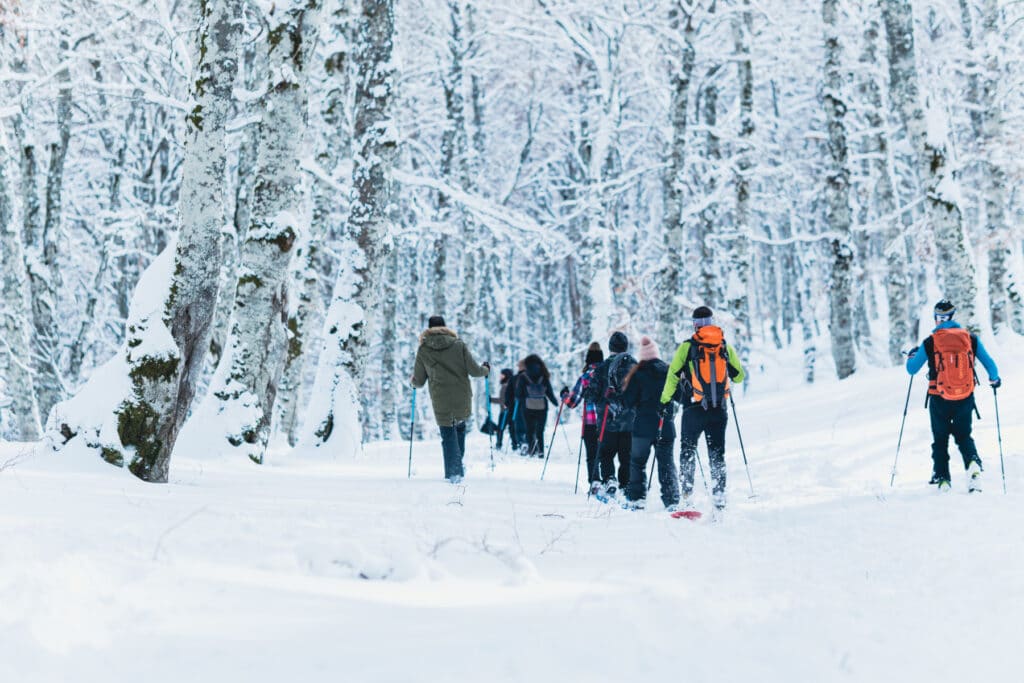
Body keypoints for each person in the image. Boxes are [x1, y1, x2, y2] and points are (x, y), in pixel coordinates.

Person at [905, 299, 1000, 492]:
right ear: (952, 316)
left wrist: (912, 356)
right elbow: (991, 366)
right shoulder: (970, 339)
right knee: (964, 436)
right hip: (965, 397)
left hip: (938, 398)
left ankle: (942, 479)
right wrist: (994, 379)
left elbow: (911, 369)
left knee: (940, 439)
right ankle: (973, 466)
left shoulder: (930, 342)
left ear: (937, 319)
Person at [660, 306, 745, 512]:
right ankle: (719, 495)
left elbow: (672, 375)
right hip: (718, 409)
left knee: (688, 450)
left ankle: (687, 495)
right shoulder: (723, 345)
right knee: (717, 453)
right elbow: (739, 376)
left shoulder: (687, 347)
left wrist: (665, 400)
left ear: (695, 324)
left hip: (693, 409)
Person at [411, 316, 490, 483]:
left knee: (447, 434)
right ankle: (457, 467)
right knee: (459, 429)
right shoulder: (458, 345)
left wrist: (413, 381)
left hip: (440, 398)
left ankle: (454, 471)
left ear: (429, 328)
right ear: (445, 327)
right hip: (461, 395)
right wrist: (486, 370)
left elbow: (419, 382)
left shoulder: (424, 349)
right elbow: (475, 371)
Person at [621, 336, 679, 510]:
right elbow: (681, 396)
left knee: (637, 462)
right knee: (666, 463)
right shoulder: (668, 371)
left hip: (642, 428)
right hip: (665, 425)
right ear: (657, 353)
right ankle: (671, 500)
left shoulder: (637, 374)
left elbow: (627, 402)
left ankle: (637, 498)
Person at [592, 331, 637, 499]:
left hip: (606, 419)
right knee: (626, 455)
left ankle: (610, 479)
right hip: (629, 420)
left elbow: (591, 394)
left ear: (610, 347)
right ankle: (625, 486)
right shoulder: (635, 366)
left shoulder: (602, 367)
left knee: (606, 453)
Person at [561, 342, 604, 494]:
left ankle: (595, 482)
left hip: (590, 422)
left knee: (592, 454)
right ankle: (610, 481)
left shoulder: (586, 377)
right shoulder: (609, 374)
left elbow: (572, 403)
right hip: (607, 420)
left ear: (588, 360)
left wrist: (564, 395)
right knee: (606, 453)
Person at [516, 354, 558, 457]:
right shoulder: (544, 376)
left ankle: (532, 451)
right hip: (542, 407)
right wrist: (555, 403)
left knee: (529, 430)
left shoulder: (523, 376)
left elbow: (518, 393)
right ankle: (541, 452)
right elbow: (549, 392)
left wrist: (523, 399)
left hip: (527, 407)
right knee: (540, 430)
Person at [495, 368, 514, 450]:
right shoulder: (511, 384)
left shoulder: (505, 386)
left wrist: (490, 399)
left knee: (500, 428)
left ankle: (499, 444)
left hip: (505, 411)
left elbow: (502, 400)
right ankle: (515, 444)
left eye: (502, 375)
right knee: (512, 428)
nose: (500, 376)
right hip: (511, 410)